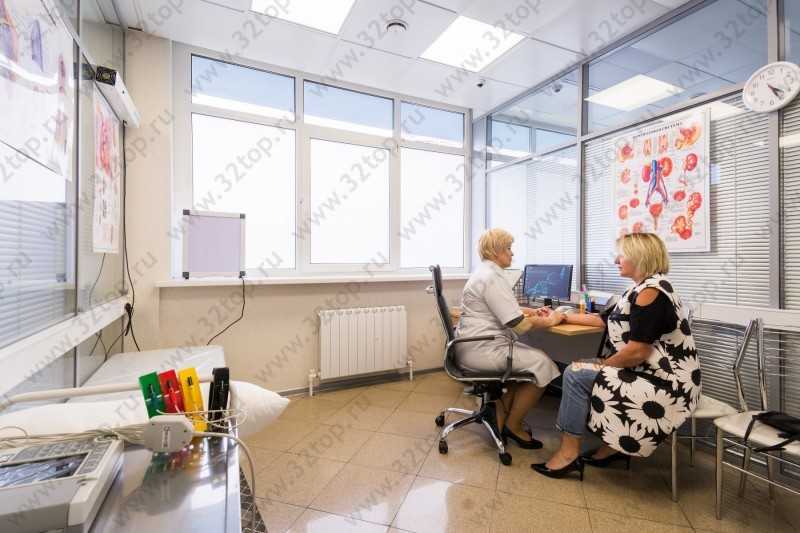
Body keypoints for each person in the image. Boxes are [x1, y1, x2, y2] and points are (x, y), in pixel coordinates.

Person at [532, 232, 700, 479]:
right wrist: (562, 316)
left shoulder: (651, 293)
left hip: (667, 384)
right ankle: (613, 447)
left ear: (639, 257)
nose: (615, 261)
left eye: (621, 255)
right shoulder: (641, 287)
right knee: (582, 367)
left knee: (575, 373)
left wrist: (601, 364)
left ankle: (568, 454)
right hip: (648, 371)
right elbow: (604, 319)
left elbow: (638, 352)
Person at [457, 228, 563, 449]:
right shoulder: (492, 277)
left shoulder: (484, 273)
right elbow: (520, 325)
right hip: (483, 350)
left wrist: (532, 312)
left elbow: (504, 309)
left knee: (527, 363)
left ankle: (500, 416)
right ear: (496, 251)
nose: (512, 253)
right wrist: (552, 320)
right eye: (508, 248)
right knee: (544, 364)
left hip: (470, 347)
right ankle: (513, 426)